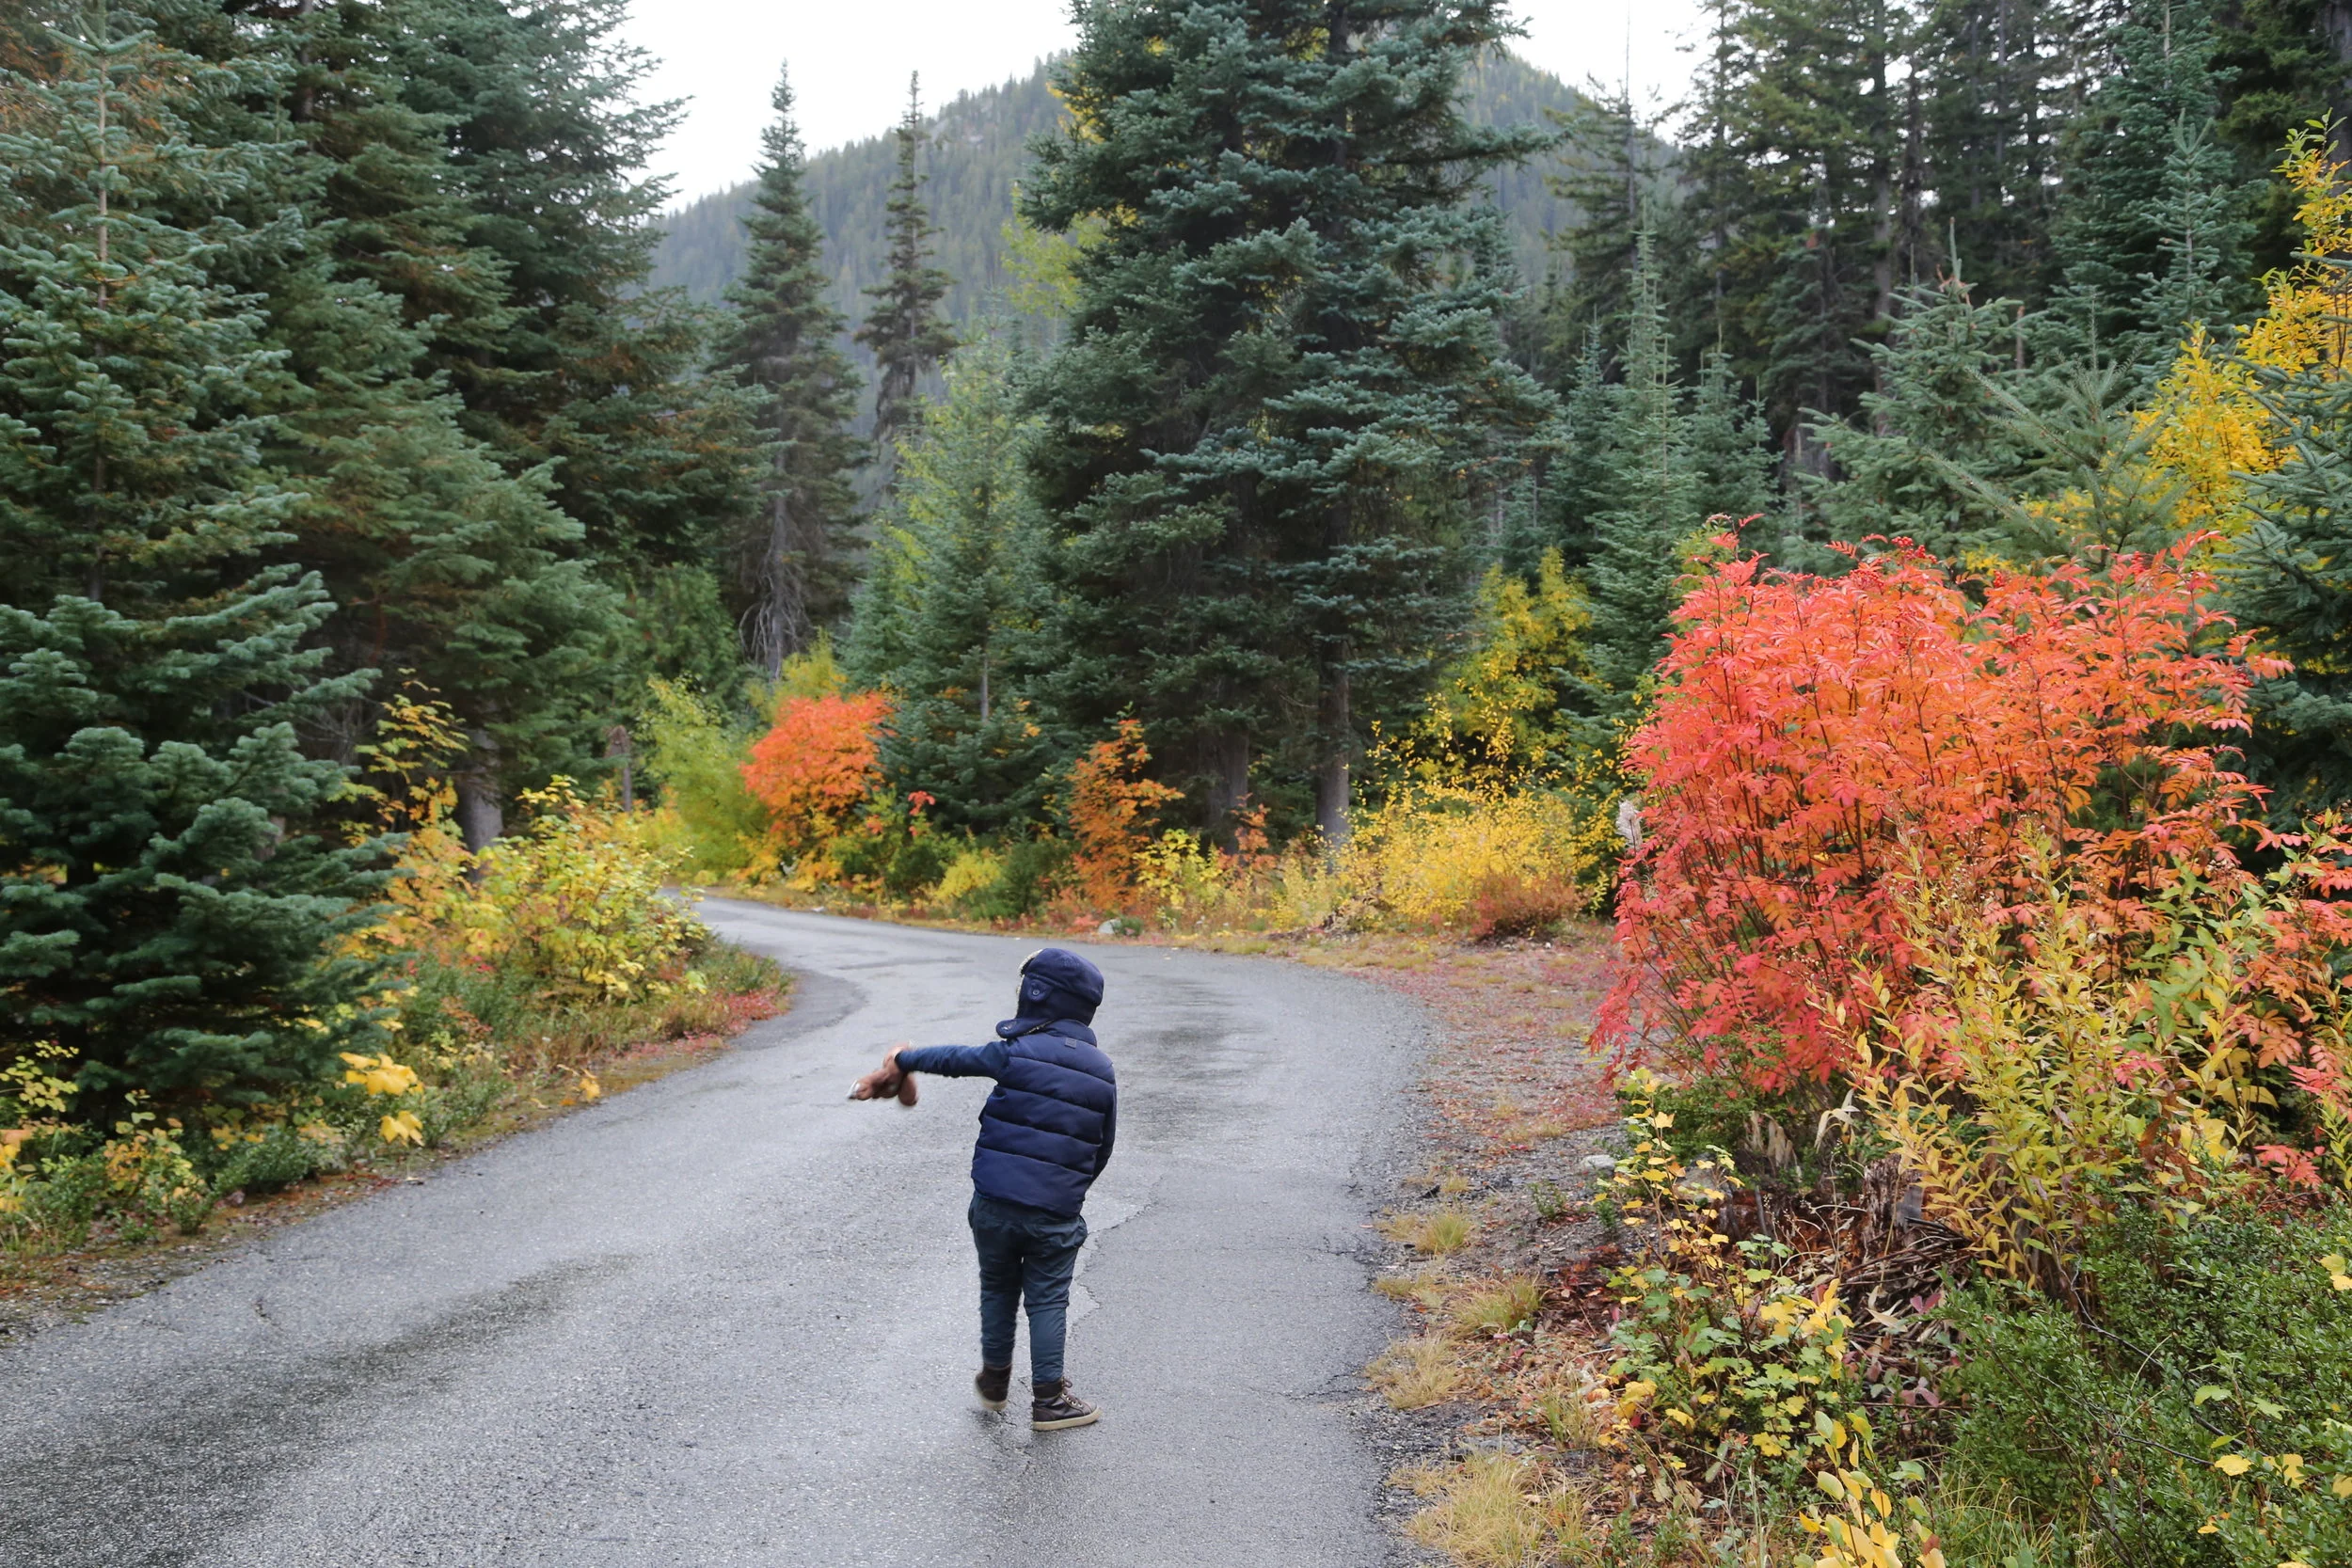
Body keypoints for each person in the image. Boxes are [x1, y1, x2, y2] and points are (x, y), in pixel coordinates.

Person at [850, 947, 1117, 1431]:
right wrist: (1069, 1192)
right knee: (1048, 1299)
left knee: (997, 1287)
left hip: (994, 1203)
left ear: (1036, 997)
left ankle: (995, 1382)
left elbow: (955, 1059)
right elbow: (1104, 1146)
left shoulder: (1015, 1053)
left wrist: (903, 1059)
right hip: (1056, 1210)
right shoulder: (1101, 1070)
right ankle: (1049, 1401)